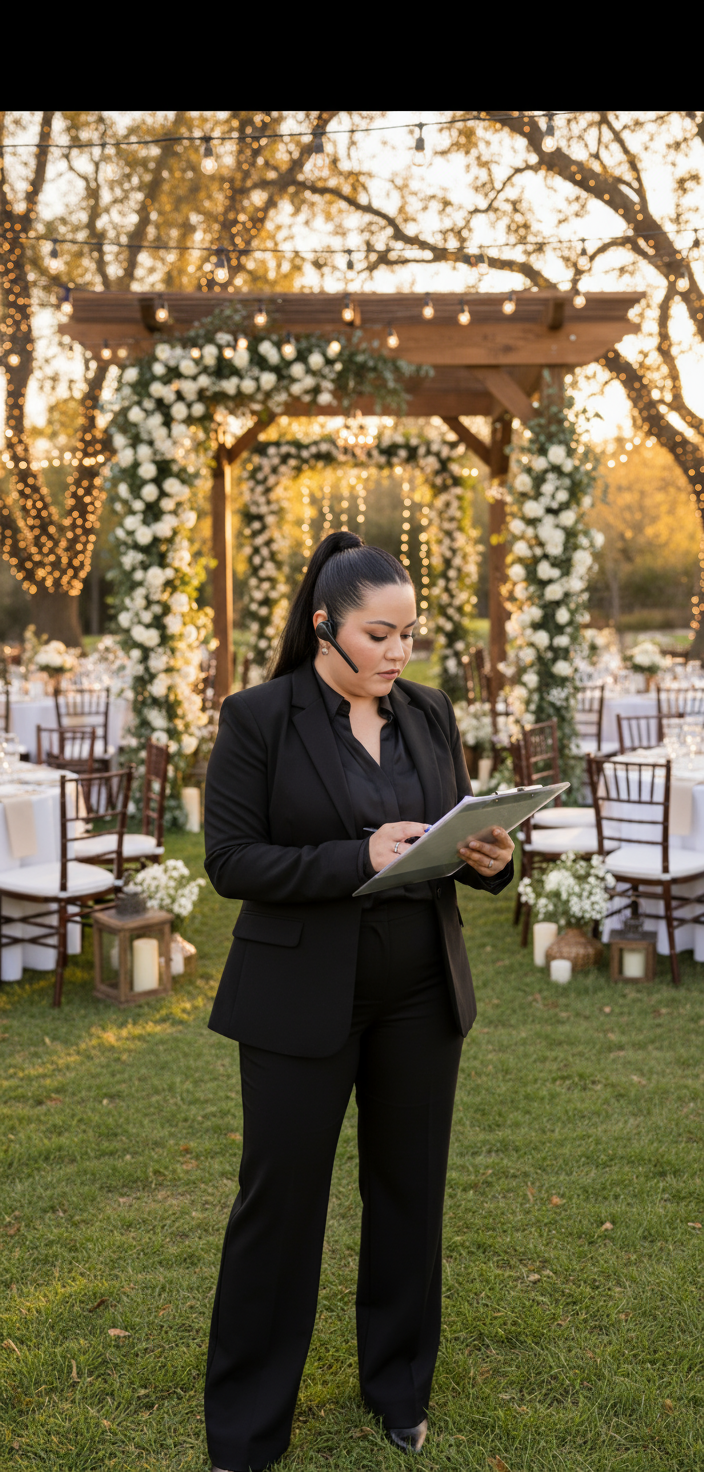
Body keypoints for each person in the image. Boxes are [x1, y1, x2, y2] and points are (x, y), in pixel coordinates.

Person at [203, 532, 514, 1470]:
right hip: (300, 998)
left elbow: (459, 824)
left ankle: (399, 1389)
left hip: (421, 991)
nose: (397, 653)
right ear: (324, 626)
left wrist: (494, 860)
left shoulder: (428, 712)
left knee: (410, 1196)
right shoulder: (258, 716)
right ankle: (249, 1428)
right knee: (281, 1207)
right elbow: (230, 861)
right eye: (380, 634)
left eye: (409, 634)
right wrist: (357, 856)